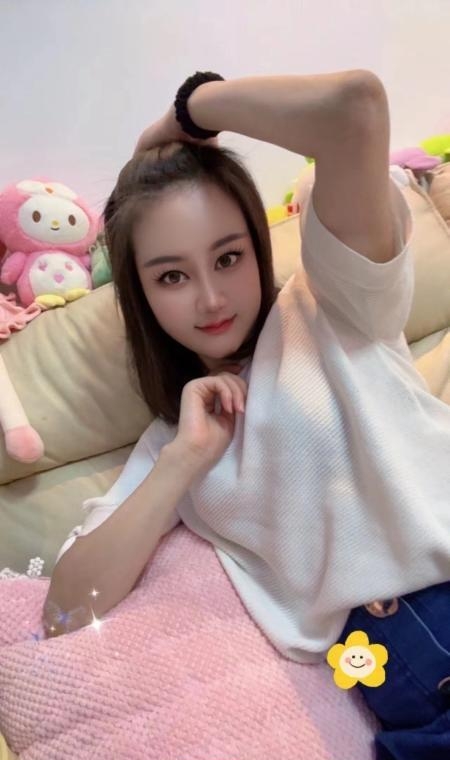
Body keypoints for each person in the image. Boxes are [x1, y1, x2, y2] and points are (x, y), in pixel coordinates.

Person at [43, 70, 450, 758]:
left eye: (229, 257)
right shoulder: (176, 441)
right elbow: (64, 611)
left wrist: (185, 114)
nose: (210, 299)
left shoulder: (333, 305)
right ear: (141, 292)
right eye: (172, 275)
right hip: (398, 691)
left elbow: (353, 107)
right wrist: (182, 463)